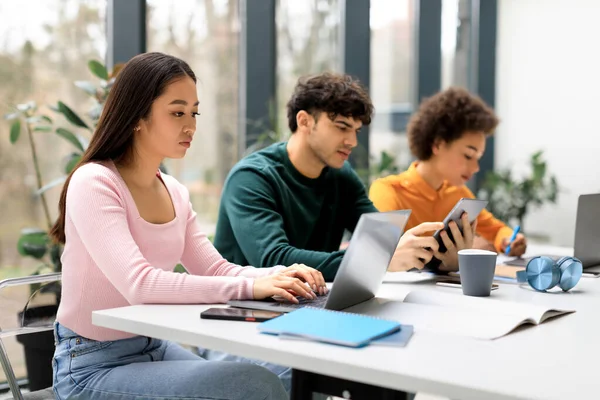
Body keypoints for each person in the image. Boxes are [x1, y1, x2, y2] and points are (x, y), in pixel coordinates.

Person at [48, 52, 325, 400]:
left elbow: (215, 268)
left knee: (287, 369)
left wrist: (280, 275)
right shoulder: (95, 182)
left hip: (155, 348)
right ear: (138, 115)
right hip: (92, 365)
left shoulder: (174, 191)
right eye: (177, 112)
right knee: (254, 386)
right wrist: (251, 289)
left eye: (193, 112)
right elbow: (140, 285)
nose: (190, 125)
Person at [213, 72, 445, 280]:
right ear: (304, 121)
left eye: (356, 131)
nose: (352, 142)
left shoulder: (340, 176)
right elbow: (273, 259)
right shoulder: (251, 178)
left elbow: (383, 240)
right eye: (341, 127)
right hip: (241, 308)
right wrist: (376, 260)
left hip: (309, 300)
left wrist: (441, 256)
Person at [369, 87, 527, 270]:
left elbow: (497, 229)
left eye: (478, 158)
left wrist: (510, 240)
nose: (475, 168)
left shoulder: (458, 193)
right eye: (468, 155)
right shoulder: (388, 191)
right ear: (437, 144)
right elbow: (377, 257)